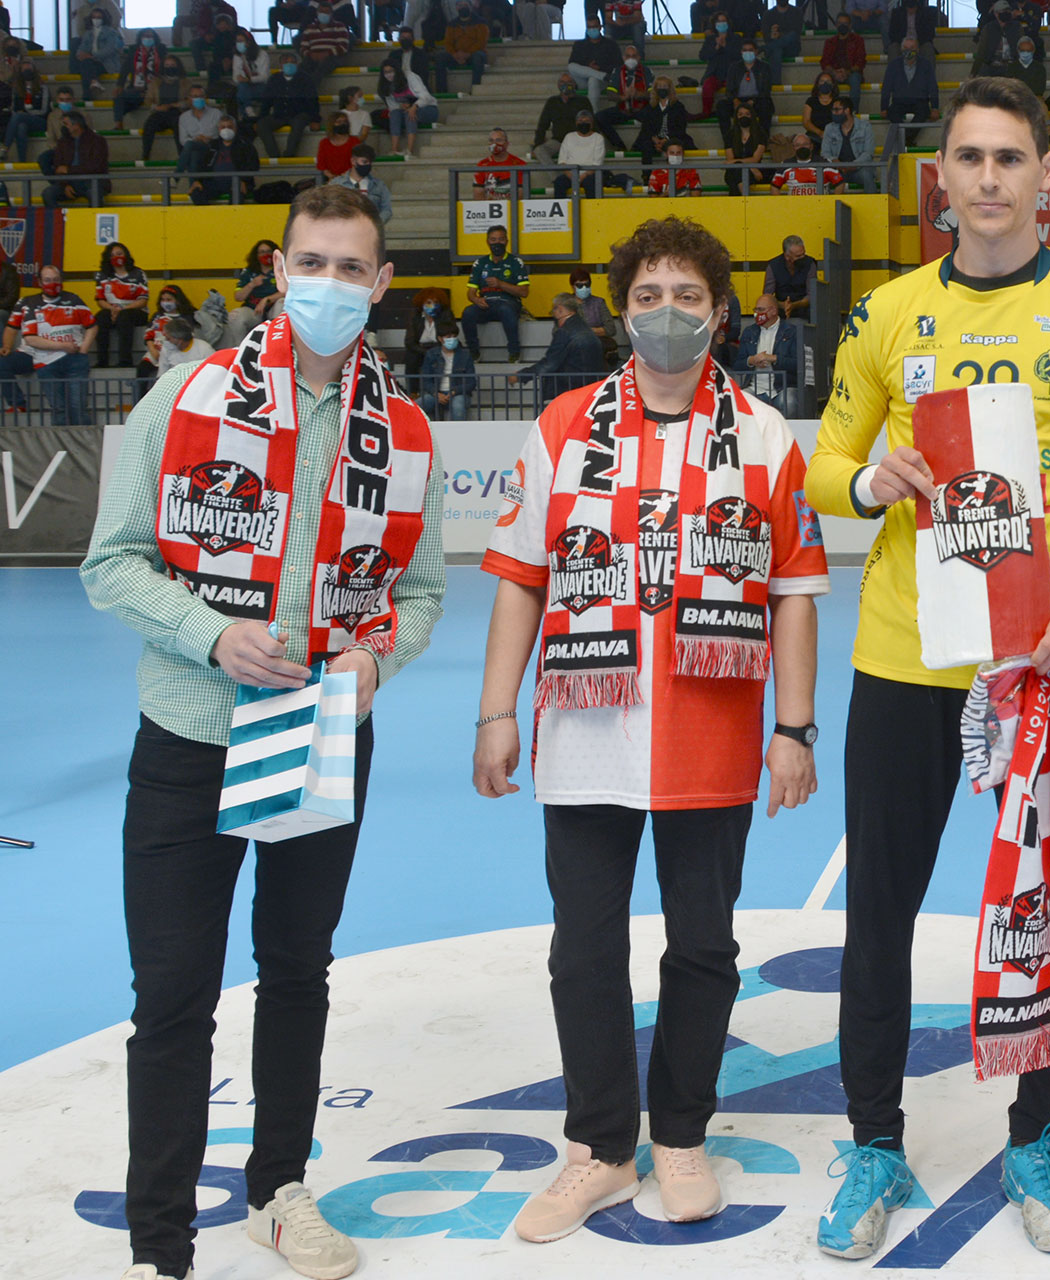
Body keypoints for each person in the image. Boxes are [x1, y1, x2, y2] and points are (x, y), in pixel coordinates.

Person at [805, 74, 1050, 1263]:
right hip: (907, 661)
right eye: (967, 158)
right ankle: (874, 1136)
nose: (986, 179)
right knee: (878, 915)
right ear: (942, 178)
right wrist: (872, 483)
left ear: (1044, 175)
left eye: (1009, 159)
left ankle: (1040, 1135)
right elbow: (824, 465)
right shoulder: (885, 315)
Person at [82, 183, 443, 1280]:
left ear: (380, 286)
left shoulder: (407, 431)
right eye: (311, 263)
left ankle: (279, 1191)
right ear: (277, 270)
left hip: (323, 734)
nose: (329, 285)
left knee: (297, 970)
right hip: (192, 732)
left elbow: (420, 592)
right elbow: (111, 562)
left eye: (351, 269)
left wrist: (378, 655)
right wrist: (209, 634)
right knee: (176, 991)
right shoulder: (183, 397)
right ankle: (161, 1242)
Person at [473, 212, 825, 1250]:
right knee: (583, 947)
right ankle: (596, 1146)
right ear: (620, 311)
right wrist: (497, 711)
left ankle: (678, 1132)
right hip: (585, 729)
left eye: (688, 297)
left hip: (712, 728)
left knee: (704, 944)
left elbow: (796, 592)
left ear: (722, 313)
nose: (667, 314)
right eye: (647, 296)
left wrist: (793, 729)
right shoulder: (562, 426)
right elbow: (520, 582)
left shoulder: (763, 434)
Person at [4, 265, 97, 423]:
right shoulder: (30, 304)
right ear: (40, 282)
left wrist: (83, 350)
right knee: (58, 408)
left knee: (78, 407)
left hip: (75, 360)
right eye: (47, 280)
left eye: (56, 279)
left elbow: (92, 326)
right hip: (45, 362)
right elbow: (30, 338)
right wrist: (62, 346)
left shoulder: (74, 299)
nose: (52, 283)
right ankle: (60, 446)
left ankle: (84, 446)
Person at [511, 293, 603, 396]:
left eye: (553, 311)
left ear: (560, 310)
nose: (553, 315)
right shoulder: (586, 329)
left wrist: (521, 375)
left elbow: (549, 363)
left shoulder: (565, 332)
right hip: (592, 389)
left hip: (570, 389)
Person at [464, 225, 530, 361]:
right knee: (468, 312)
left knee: (505, 309)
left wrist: (501, 284)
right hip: (486, 304)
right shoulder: (480, 263)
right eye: (493, 240)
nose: (497, 243)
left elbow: (524, 292)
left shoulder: (516, 262)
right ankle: (473, 352)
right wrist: (476, 300)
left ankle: (514, 352)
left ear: (506, 241)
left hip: (509, 303)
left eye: (501, 239)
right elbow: (470, 293)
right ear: (488, 242)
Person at [731, 291, 801, 414]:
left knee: (789, 401)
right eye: (755, 310)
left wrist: (774, 358)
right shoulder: (749, 332)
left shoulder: (791, 332)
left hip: (782, 388)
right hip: (754, 388)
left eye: (760, 310)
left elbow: (798, 364)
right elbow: (737, 364)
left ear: (773, 311)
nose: (756, 314)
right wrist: (751, 361)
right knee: (737, 402)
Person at [94, 241, 151, 370]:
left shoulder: (138, 273)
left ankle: (125, 360)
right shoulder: (102, 275)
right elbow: (100, 300)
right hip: (112, 310)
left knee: (124, 317)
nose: (116, 257)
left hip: (135, 311)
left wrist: (121, 309)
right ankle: (102, 361)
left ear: (126, 255)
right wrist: (113, 309)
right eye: (112, 255)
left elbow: (143, 300)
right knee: (100, 317)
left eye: (119, 253)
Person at [254, 56, 320, 160]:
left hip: (299, 114)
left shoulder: (306, 78)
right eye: (286, 62)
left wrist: (315, 119)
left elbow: (313, 101)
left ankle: (289, 154)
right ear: (280, 65)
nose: (289, 64)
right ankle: (274, 155)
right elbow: (266, 102)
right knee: (262, 125)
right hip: (279, 115)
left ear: (297, 64)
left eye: (292, 62)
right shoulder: (274, 79)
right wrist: (260, 118)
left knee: (299, 123)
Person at [41, 109, 110, 207]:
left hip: (92, 181)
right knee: (48, 193)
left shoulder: (98, 141)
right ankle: (57, 221)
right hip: (71, 181)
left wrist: (69, 170)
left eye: (65, 124)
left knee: (94, 194)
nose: (62, 127)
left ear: (76, 125)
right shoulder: (62, 142)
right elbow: (59, 167)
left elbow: (95, 167)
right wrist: (64, 184)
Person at [227, 240, 285, 344]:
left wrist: (267, 300)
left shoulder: (282, 269)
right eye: (261, 252)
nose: (265, 254)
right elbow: (238, 297)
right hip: (254, 311)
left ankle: (276, 345)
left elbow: (288, 290)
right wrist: (252, 284)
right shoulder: (249, 272)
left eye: (268, 251)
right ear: (256, 255)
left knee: (281, 303)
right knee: (234, 315)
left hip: (273, 309)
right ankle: (239, 350)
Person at [881, 36, 939, 141]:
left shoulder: (926, 65)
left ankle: (905, 140)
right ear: (901, 49)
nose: (908, 50)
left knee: (924, 112)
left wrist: (935, 107)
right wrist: (883, 107)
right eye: (906, 47)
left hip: (920, 101)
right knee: (892, 113)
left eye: (912, 47)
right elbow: (886, 87)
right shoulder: (893, 65)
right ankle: (909, 140)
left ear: (917, 49)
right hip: (899, 101)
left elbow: (933, 87)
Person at [556, 110, 626, 197]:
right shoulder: (569, 137)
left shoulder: (598, 138)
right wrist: (571, 176)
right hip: (571, 174)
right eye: (580, 121)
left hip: (590, 174)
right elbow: (562, 161)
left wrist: (583, 175)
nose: (583, 123)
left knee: (590, 182)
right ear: (576, 123)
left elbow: (597, 163)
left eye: (587, 121)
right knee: (559, 182)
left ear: (592, 124)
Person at [135, 56, 190, 163]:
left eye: (173, 65)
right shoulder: (156, 82)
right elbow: (148, 100)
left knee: (179, 125)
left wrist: (177, 104)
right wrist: (157, 107)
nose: (170, 67)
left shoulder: (186, 82)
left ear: (178, 66)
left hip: (177, 112)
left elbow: (190, 100)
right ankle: (145, 155)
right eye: (167, 65)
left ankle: (182, 156)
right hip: (160, 112)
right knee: (149, 125)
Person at [821, 95, 876, 194]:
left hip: (859, 169)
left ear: (847, 110)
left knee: (867, 176)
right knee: (821, 176)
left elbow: (868, 153)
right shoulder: (829, 128)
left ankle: (875, 207)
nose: (833, 113)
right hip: (837, 170)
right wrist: (834, 160)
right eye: (832, 110)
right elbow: (825, 152)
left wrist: (853, 165)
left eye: (837, 110)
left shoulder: (865, 127)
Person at [596, 48, 649, 151]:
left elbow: (653, 93)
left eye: (634, 56)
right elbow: (610, 94)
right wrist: (622, 97)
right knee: (599, 117)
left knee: (654, 117)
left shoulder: (646, 71)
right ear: (623, 58)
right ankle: (618, 145)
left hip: (641, 108)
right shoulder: (617, 71)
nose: (631, 59)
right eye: (628, 56)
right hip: (622, 108)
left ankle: (637, 147)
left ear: (639, 57)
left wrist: (639, 94)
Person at [534, 73, 594, 164]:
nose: (565, 84)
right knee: (539, 150)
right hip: (558, 141)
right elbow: (542, 125)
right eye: (562, 82)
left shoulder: (583, 101)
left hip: (578, 140)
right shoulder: (552, 102)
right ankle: (557, 177)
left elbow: (592, 122)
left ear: (574, 85)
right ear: (558, 85)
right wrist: (537, 143)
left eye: (569, 82)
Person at [566, 268, 621, 366]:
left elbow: (611, 329)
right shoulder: (565, 305)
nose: (584, 288)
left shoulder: (599, 303)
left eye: (587, 285)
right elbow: (559, 331)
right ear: (572, 286)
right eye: (579, 285)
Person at [113, 29, 166, 128]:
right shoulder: (133, 51)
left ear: (155, 38)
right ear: (140, 38)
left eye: (150, 36)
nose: (147, 38)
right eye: (145, 36)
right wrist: (119, 85)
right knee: (119, 97)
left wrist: (150, 90)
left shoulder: (161, 50)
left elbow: (164, 71)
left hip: (156, 89)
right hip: (136, 89)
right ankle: (118, 124)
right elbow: (125, 69)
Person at [417, 329, 476, 418]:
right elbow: (425, 380)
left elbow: (471, 383)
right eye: (448, 337)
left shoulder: (465, 355)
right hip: (436, 394)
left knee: (458, 407)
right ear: (440, 338)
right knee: (415, 406)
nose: (452, 339)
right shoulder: (431, 354)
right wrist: (436, 393)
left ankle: (458, 432)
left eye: (454, 336)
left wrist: (453, 392)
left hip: (458, 394)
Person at [637, 77, 693, 164]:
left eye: (665, 86)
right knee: (646, 146)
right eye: (659, 86)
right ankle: (646, 175)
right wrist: (655, 139)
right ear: (655, 89)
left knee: (673, 146)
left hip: (673, 137)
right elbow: (646, 127)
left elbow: (681, 128)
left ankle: (673, 173)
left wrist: (666, 140)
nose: (662, 89)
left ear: (670, 89)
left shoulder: (678, 106)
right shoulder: (650, 107)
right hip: (654, 139)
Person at [725, 39, 777, 134]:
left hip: (758, 100)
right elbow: (729, 89)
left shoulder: (765, 67)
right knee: (721, 107)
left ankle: (763, 139)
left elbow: (766, 90)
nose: (747, 52)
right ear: (741, 52)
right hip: (738, 100)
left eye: (750, 50)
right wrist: (735, 100)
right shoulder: (734, 67)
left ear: (756, 51)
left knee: (765, 106)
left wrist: (753, 101)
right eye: (745, 50)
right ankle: (728, 139)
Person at [331, 144, 393, 223]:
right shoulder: (337, 184)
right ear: (353, 161)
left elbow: (387, 210)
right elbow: (331, 209)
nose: (368, 165)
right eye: (364, 162)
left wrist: (375, 224)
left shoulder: (379, 185)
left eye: (370, 162)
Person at [436, 1, 490, 92]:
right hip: (456, 56)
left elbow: (481, 43)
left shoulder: (481, 22)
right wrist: (455, 54)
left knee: (478, 57)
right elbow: (448, 43)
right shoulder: (451, 24)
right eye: (460, 5)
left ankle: (475, 89)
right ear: (456, 8)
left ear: (470, 7)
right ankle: (441, 91)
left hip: (474, 54)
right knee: (440, 57)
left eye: (466, 5)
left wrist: (467, 54)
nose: (463, 7)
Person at [403, 286, 454, 377]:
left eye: (436, 302)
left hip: (439, 346)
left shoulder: (446, 314)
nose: (432, 305)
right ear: (422, 304)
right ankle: (413, 390)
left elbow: (450, 334)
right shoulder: (415, 316)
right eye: (429, 302)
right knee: (411, 357)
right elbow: (409, 341)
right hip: (420, 349)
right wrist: (425, 352)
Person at [567, 20, 621, 103]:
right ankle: (602, 75)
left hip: (603, 82)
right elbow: (572, 62)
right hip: (583, 80)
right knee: (571, 66)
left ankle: (592, 111)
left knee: (593, 79)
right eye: (589, 27)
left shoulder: (611, 44)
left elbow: (618, 64)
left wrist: (600, 67)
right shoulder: (579, 45)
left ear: (600, 27)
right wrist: (588, 66)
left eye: (594, 27)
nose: (592, 29)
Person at [722, 101, 769, 194]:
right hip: (745, 170)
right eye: (740, 114)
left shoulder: (761, 134)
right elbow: (730, 159)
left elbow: (755, 159)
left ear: (752, 116)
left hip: (755, 171)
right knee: (736, 172)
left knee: (735, 176)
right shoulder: (730, 135)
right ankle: (746, 202)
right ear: (736, 117)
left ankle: (739, 205)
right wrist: (749, 167)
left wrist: (748, 167)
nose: (744, 116)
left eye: (747, 114)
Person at [764, 236, 814, 321]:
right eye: (798, 256)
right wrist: (783, 305)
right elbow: (767, 296)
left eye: (803, 254)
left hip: (803, 306)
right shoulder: (773, 266)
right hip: (779, 307)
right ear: (787, 256)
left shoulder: (810, 264)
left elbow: (812, 294)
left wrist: (794, 305)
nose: (803, 257)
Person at [823, 15, 868, 106]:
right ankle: (830, 111)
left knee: (855, 79)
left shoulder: (858, 40)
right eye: (840, 23)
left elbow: (861, 61)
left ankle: (853, 111)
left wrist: (847, 72)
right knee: (824, 80)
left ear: (850, 25)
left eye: (845, 23)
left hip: (851, 73)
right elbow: (824, 62)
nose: (842, 26)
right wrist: (835, 72)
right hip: (834, 73)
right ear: (836, 25)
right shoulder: (830, 42)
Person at [474, 127, 528, 197]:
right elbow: (478, 193)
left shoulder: (520, 164)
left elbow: (521, 194)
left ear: (507, 143)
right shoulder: (482, 165)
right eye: (491, 140)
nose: (494, 144)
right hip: (489, 206)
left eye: (498, 140)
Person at [314, 110, 358, 181]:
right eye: (339, 122)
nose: (343, 124)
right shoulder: (324, 143)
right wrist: (331, 177)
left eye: (345, 121)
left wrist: (344, 177)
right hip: (329, 179)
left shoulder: (354, 141)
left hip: (350, 178)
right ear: (332, 125)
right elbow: (321, 165)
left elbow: (357, 164)